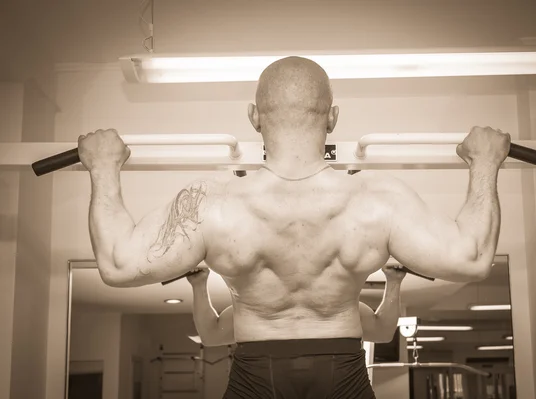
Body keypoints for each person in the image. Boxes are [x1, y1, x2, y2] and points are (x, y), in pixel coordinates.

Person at [78, 56, 509, 398]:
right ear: (333, 117)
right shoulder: (376, 199)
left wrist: (103, 167)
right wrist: (486, 162)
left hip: (254, 372)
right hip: (343, 370)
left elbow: (118, 265)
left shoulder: (213, 202)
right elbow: (471, 259)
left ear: (254, 117)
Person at [186, 265, 407, 347]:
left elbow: (383, 332)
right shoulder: (256, 307)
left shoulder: (337, 304)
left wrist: (394, 282)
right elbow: (212, 336)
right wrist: (198, 285)